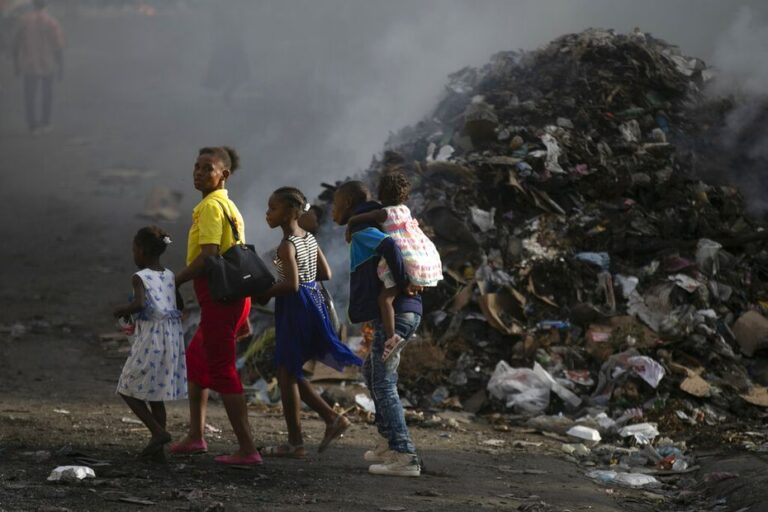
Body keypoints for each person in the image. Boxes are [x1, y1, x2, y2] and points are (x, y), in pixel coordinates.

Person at [171, 146, 261, 466]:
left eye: (207, 168)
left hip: (221, 301)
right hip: (233, 299)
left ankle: (248, 449)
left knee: (223, 371)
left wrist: (176, 280)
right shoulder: (228, 206)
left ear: (223, 174)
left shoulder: (210, 207)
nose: (198, 172)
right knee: (197, 360)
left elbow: (209, 255)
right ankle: (196, 435)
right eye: (196, 166)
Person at [256, 187, 361, 458]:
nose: (268, 213)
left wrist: (264, 291)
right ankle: (329, 420)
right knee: (288, 371)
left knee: (286, 371)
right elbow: (324, 272)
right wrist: (296, 272)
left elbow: (290, 285)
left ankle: (296, 442)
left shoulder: (286, 244)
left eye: (273, 208)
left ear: (290, 211)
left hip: (295, 307)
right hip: (314, 302)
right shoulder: (309, 239)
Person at [332, 180, 423, 477]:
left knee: (384, 382)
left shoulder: (361, 229)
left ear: (346, 204)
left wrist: (402, 283)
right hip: (401, 313)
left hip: (397, 314)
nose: (332, 210)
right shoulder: (374, 219)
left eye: (335, 204)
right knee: (371, 372)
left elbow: (389, 246)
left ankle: (404, 455)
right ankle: (388, 440)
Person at [345, 170, 442, 360]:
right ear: (405, 196)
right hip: (414, 256)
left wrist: (351, 222)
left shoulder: (383, 213)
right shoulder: (405, 211)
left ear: (381, 194)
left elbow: (365, 219)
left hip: (400, 258)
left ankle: (391, 338)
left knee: (385, 300)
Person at [112, 226, 187, 461]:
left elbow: (139, 304)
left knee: (126, 386)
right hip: (172, 337)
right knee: (156, 394)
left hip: (152, 337)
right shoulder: (170, 275)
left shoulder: (140, 277)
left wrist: (122, 310)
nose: (134, 255)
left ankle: (158, 432)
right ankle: (158, 453)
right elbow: (180, 305)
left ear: (142, 251)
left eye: (134, 250)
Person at [12, 0, 63, 134]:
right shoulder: (52, 22)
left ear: (33, 5)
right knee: (47, 94)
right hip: (48, 63)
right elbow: (58, 46)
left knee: (29, 95)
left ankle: (32, 126)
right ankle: (46, 123)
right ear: (46, 5)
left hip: (29, 64)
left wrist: (16, 65)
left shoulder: (23, 20)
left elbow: (16, 44)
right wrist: (61, 67)